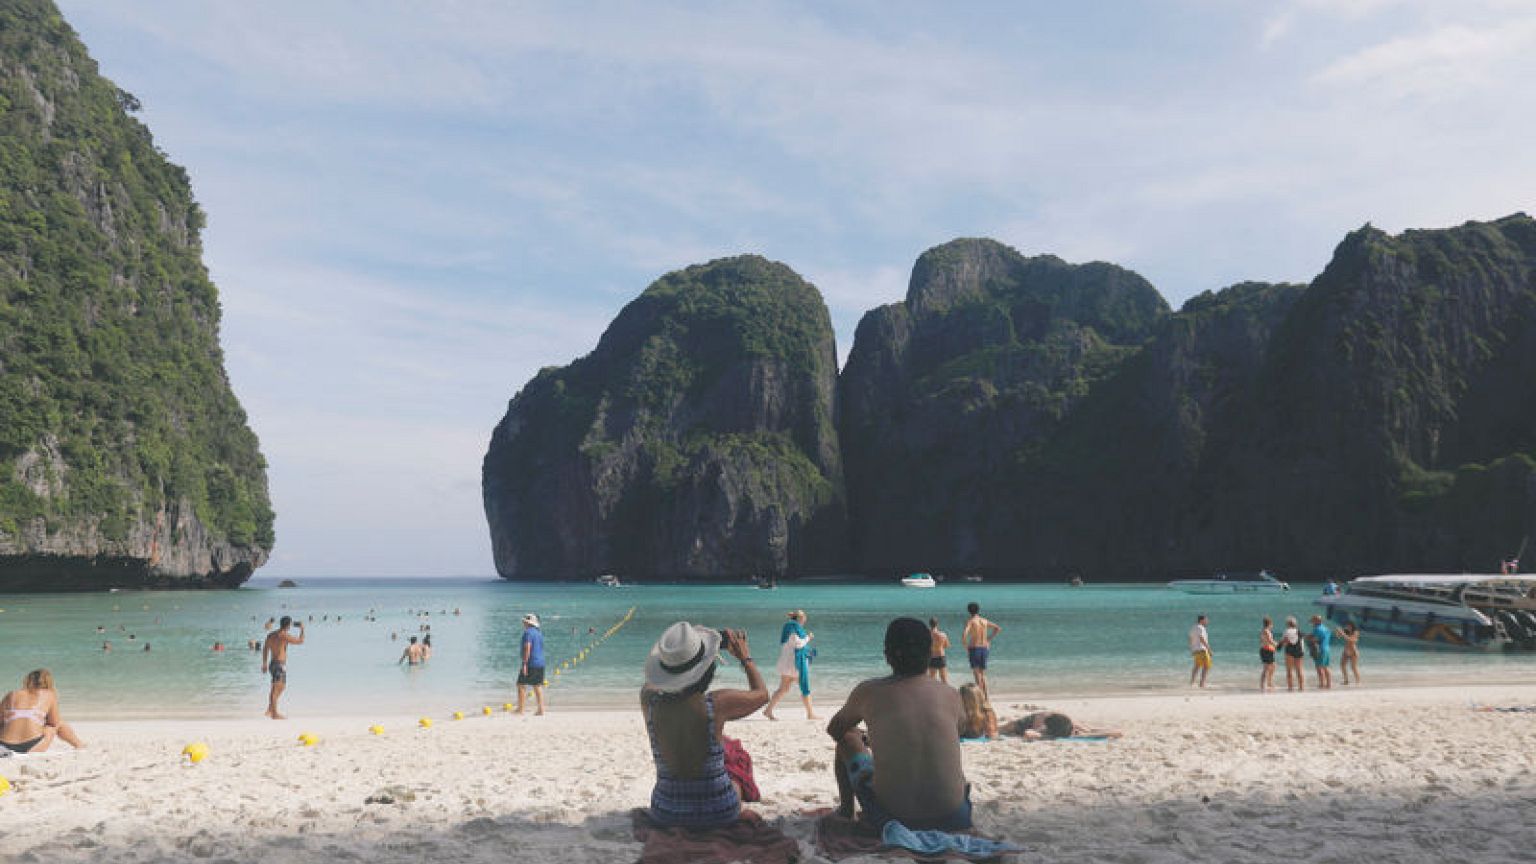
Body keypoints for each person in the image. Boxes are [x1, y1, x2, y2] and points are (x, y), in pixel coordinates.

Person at [827, 617, 973, 830]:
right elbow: (958, 730)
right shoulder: (950, 694)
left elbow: (836, 729)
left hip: (893, 819)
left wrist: (869, 736)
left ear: (887, 656)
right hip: (954, 817)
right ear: (930, 652)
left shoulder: (869, 691)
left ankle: (846, 811)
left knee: (848, 738)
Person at [641, 622, 768, 827]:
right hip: (719, 812)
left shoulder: (649, 700)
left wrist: (679, 652)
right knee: (735, 771)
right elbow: (762, 694)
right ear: (709, 667)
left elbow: (653, 681)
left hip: (666, 811)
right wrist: (745, 657)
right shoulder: (717, 704)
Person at [1, 669, 85, 753]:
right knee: (58, 724)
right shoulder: (49, 695)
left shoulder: (12, 694)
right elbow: (54, 723)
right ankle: (79, 745)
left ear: (27, 681)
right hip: (32, 746)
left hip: (4, 745)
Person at [764, 610, 815, 720]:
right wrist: (808, 638)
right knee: (804, 687)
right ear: (800, 619)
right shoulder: (793, 629)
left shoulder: (790, 627)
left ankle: (768, 710)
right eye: (804, 619)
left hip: (788, 663)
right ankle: (810, 714)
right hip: (794, 664)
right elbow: (798, 645)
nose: (804, 621)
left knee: (783, 689)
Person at [261, 615, 305, 719]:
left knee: (278, 687)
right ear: (288, 625)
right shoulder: (284, 635)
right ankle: (274, 714)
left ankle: (270, 709)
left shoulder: (271, 635)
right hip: (279, 664)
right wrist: (302, 629)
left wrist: (264, 663)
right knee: (277, 688)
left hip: (273, 664)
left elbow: (265, 649)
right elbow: (300, 641)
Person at [962, 603, 1001, 699]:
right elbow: (997, 628)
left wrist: (966, 646)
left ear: (969, 611)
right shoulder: (984, 621)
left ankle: (980, 697)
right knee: (982, 674)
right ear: (978, 610)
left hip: (974, 648)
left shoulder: (971, 621)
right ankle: (986, 696)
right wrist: (988, 639)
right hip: (984, 648)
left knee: (976, 674)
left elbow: (964, 635)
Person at [999, 711, 1121, 741]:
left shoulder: (1070, 723)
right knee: (1004, 729)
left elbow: (1116, 733)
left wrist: (1107, 732)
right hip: (1030, 721)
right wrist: (1044, 736)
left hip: (1057, 720)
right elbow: (1028, 733)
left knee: (1086, 728)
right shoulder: (1044, 728)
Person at [516, 613, 546, 715]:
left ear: (528, 623)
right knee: (537, 686)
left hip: (531, 663)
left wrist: (524, 664)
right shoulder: (539, 633)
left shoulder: (527, 633)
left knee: (520, 685)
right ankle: (541, 709)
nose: (523, 623)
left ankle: (520, 710)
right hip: (540, 662)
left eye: (524, 621)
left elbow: (527, 648)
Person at [1278, 616, 1305, 691]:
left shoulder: (1287, 631)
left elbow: (1284, 640)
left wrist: (1278, 647)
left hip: (1290, 650)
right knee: (1299, 670)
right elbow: (1302, 643)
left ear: (1288, 624)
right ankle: (1301, 687)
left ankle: (1290, 687)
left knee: (1289, 670)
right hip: (1299, 651)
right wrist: (1302, 652)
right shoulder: (1299, 631)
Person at [1307, 614, 1333, 689]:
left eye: (1312, 621)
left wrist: (1308, 640)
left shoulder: (1317, 629)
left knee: (1319, 667)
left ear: (1317, 621)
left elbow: (1316, 639)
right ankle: (1328, 684)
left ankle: (1321, 684)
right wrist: (1309, 636)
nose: (1312, 623)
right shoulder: (1326, 628)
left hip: (1320, 649)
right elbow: (1321, 637)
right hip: (1327, 648)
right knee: (1326, 667)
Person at [1188, 614, 1212, 688]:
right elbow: (1201, 638)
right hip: (1202, 649)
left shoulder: (1193, 627)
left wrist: (1192, 649)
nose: (1207, 621)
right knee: (1207, 666)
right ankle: (1202, 683)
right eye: (1206, 620)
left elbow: (1190, 638)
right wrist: (1208, 648)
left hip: (1196, 650)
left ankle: (1192, 682)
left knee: (1197, 666)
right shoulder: (1201, 628)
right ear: (1202, 620)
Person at [928, 617, 951, 684]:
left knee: (932, 679)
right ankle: (946, 694)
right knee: (944, 679)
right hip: (941, 656)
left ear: (929, 624)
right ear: (937, 624)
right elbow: (947, 645)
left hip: (931, 657)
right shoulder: (943, 635)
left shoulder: (927, 634)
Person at [1258, 616, 1277, 693]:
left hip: (1267, 650)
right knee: (1266, 668)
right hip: (1267, 650)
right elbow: (1270, 640)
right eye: (1272, 624)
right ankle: (1263, 684)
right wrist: (1277, 644)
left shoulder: (1264, 631)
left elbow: (1263, 641)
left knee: (1273, 666)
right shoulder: (1266, 631)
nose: (1272, 626)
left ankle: (1269, 682)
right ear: (1269, 624)